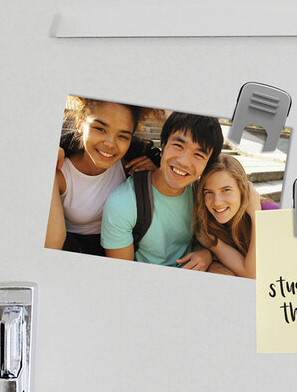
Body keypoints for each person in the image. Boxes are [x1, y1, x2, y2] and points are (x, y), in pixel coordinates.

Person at [101, 112, 224, 270]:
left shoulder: (202, 193)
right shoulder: (122, 203)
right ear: (163, 145)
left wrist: (205, 253)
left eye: (199, 155)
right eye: (178, 146)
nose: (183, 162)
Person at [44, 96, 162, 256]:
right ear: (80, 124)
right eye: (100, 129)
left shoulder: (133, 165)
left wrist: (157, 173)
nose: (110, 143)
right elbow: (52, 243)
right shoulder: (59, 171)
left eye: (123, 136)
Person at [193, 154, 279, 279]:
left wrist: (256, 216)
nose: (217, 202)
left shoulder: (271, 213)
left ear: (243, 190)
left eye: (226, 190)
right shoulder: (208, 229)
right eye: (209, 192)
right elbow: (250, 274)